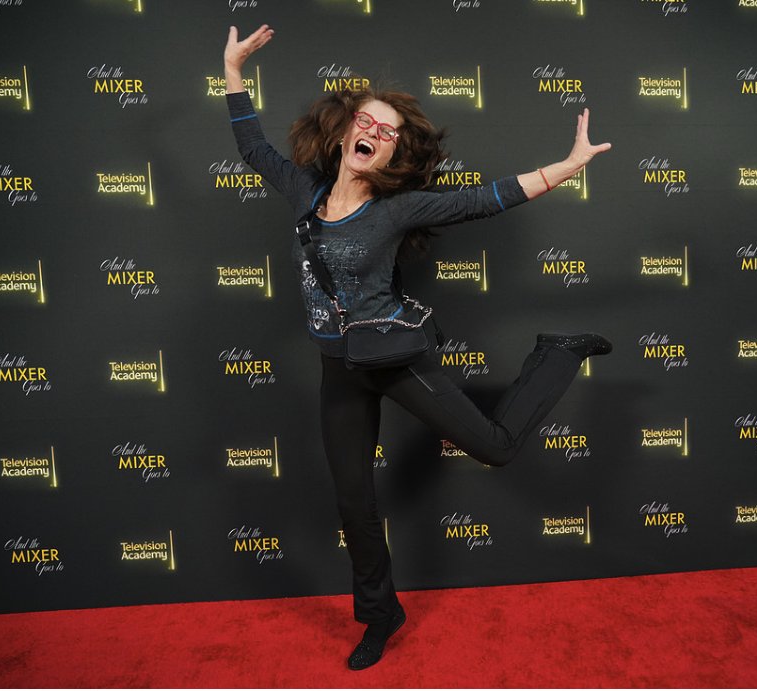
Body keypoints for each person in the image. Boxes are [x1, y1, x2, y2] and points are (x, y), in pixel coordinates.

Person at [224, 24, 613, 671]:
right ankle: (381, 615)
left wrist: (566, 168)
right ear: (347, 129)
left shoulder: (393, 211)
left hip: (397, 362)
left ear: (391, 152)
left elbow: (481, 200)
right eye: (367, 121)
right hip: (339, 372)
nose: (374, 132)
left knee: (494, 446)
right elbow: (252, 148)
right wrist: (234, 71)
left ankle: (559, 350)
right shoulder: (306, 194)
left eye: (389, 132)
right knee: (355, 501)